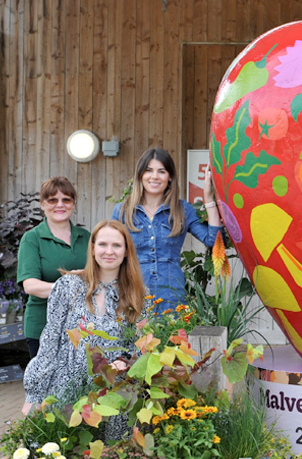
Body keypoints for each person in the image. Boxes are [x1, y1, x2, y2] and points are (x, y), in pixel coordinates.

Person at [22, 220, 146, 416]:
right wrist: (34, 394)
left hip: (114, 392)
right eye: (103, 244)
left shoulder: (136, 294)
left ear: (126, 252)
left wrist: (126, 362)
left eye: (116, 245)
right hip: (68, 390)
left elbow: (139, 344)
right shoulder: (68, 286)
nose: (109, 251)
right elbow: (50, 340)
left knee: (111, 446)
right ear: (93, 248)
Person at [112, 147, 222, 313]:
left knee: (172, 338)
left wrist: (208, 198)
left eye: (161, 171)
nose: (154, 176)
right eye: (149, 170)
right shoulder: (123, 210)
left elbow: (214, 241)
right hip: (133, 292)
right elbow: (110, 252)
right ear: (140, 175)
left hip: (172, 296)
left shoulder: (182, 209)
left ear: (169, 177)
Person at [17, 177, 90, 359]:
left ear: (73, 204)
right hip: (43, 326)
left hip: (83, 326)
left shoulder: (87, 237)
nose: (60, 205)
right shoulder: (32, 239)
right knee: (47, 387)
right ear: (42, 204)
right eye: (52, 200)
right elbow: (31, 286)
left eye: (66, 199)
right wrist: (69, 283)